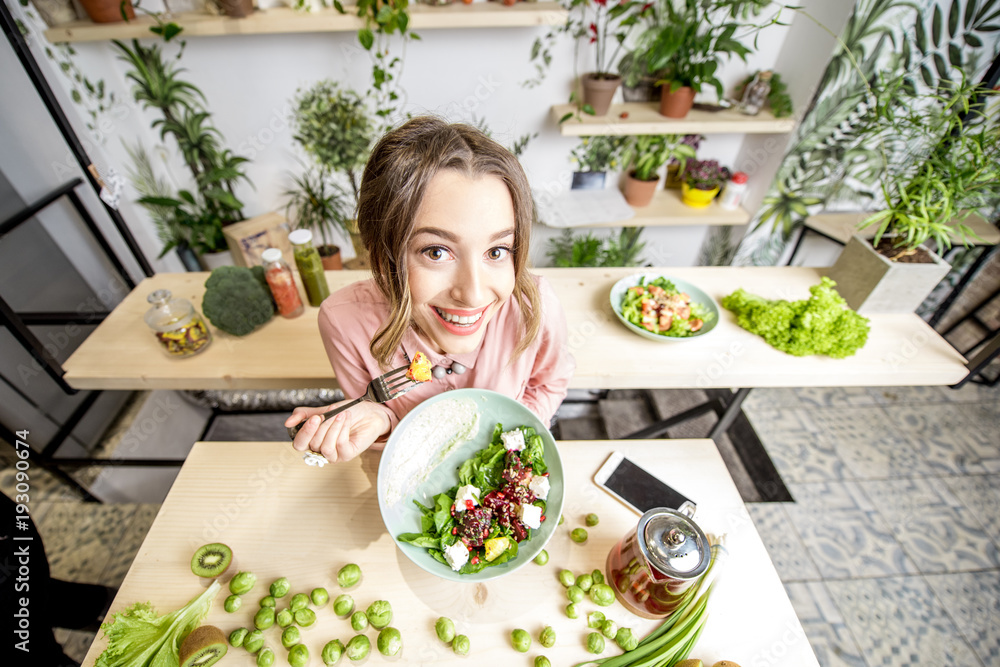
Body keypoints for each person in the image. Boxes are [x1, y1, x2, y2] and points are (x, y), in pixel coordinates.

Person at [286, 116, 575, 463]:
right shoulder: (344, 322)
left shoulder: (535, 308)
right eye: (436, 252)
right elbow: (387, 416)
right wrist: (380, 420)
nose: (473, 294)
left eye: (496, 251)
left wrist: (509, 440)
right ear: (382, 259)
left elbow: (547, 384)